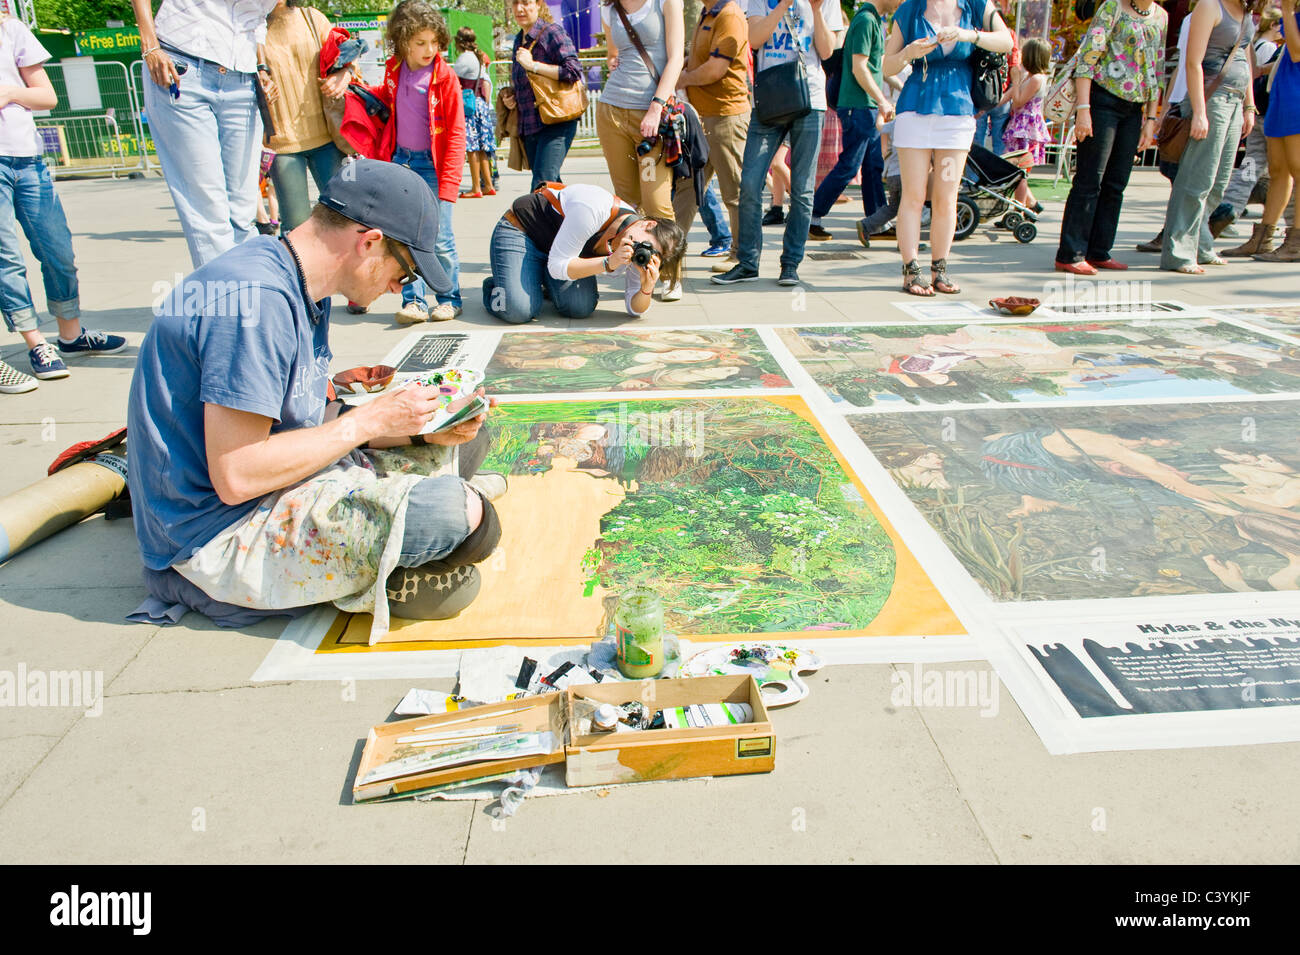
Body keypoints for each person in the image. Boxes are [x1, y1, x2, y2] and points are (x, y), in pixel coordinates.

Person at [126, 159, 500, 631]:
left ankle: (389, 548)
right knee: (462, 516)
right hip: (215, 533)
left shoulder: (298, 279)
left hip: (282, 479)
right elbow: (238, 475)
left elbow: (306, 420)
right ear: (369, 243)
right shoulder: (257, 301)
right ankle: (238, 586)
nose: (394, 288)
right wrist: (370, 422)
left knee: (469, 441)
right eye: (403, 274)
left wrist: (422, 430)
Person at [0, 12, 125, 394]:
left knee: (57, 249)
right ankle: (36, 343)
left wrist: (9, 93)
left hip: (28, 158)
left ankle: (70, 335)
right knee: (7, 258)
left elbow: (47, 96)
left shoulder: (11, 28)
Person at [130, 0, 278, 268]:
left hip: (244, 78)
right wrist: (149, 45)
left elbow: (256, 21)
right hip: (183, 66)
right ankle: (227, 305)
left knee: (243, 213)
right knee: (209, 214)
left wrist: (262, 66)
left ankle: (248, 299)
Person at [882, 0, 1014, 295]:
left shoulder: (976, 6)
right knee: (913, 196)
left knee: (947, 196)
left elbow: (1006, 41)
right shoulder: (910, 10)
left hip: (957, 113)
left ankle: (939, 269)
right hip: (914, 109)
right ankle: (911, 270)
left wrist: (969, 35)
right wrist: (908, 53)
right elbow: (887, 64)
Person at [712, 0, 843, 288]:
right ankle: (747, 262)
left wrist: (817, 10)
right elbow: (755, 39)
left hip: (810, 98)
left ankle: (791, 263)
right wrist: (783, 5)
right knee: (749, 181)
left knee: (803, 188)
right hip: (770, 99)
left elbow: (826, 51)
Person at [367, 0, 465, 322]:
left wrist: (449, 185)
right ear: (403, 39)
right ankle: (414, 301)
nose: (429, 49)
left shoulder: (445, 77)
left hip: (433, 168)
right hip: (402, 163)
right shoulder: (394, 69)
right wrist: (363, 90)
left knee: (440, 239)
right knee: (405, 237)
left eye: (434, 42)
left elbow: (455, 133)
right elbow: (392, 98)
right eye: (421, 43)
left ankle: (449, 297)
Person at [1054, 0, 1166, 277]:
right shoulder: (1112, 7)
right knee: (1090, 178)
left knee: (1117, 182)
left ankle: (1099, 251)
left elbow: (1157, 69)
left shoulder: (1161, 16)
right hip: (1102, 100)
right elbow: (1087, 59)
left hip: (1135, 107)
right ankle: (1071, 253)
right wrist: (1083, 110)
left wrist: (1150, 120)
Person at [482, 182, 685, 323]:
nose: (646, 253)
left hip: (559, 254)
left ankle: (532, 278)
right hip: (522, 231)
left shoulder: (638, 243)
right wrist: (608, 263)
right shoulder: (594, 208)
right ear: (649, 224)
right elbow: (557, 266)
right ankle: (499, 285)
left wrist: (646, 288)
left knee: (580, 307)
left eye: (655, 256)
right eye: (650, 247)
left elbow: (634, 309)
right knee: (518, 311)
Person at [1161, 0, 1258, 274]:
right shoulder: (1210, 6)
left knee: (1219, 180)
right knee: (1197, 178)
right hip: (1213, 98)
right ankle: (1178, 253)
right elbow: (1193, 62)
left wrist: (1249, 105)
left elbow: (1244, 59)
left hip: (1236, 101)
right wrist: (1200, 111)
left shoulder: (1246, 10)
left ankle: (1201, 244)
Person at [599, 0, 686, 299]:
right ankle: (640, 272)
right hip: (611, 111)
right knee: (628, 202)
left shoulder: (665, 2)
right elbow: (614, 53)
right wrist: (614, 61)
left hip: (652, 117)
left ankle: (671, 275)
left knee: (657, 202)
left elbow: (676, 59)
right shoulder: (608, 9)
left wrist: (656, 106)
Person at [808, 0, 901, 241]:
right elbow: (859, 67)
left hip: (863, 105)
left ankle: (876, 221)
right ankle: (811, 216)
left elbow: (873, 66)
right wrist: (882, 99)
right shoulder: (866, 20)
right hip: (858, 106)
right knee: (850, 165)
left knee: (872, 166)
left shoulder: (871, 20)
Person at [673, 0, 752, 269]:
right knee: (687, 188)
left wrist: (682, 78)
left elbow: (717, 69)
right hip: (702, 118)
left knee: (734, 191)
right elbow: (703, 59)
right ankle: (670, 252)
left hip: (725, 117)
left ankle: (742, 256)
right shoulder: (708, 14)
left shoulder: (729, 16)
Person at [262, 1, 349, 234]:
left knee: (346, 218)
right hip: (282, 144)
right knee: (296, 229)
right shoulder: (252, 25)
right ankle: (301, 272)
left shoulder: (312, 18)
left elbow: (347, 54)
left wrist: (344, 74)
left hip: (327, 137)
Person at [1212, 5, 1283, 236]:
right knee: (1284, 175)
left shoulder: (1255, 43)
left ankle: (1229, 209)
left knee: (1250, 166)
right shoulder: (1271, 47)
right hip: (1271, 115)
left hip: (1257, 113)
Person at [511, 0, 584, 190]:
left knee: (541, 185)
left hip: (557, 120)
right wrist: (510, 95)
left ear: (538, 5)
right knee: (551, 186)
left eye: (525, 3)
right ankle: (569, 217)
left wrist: (533, 65)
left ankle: (538, 220)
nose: (519, 8)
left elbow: (574, 71)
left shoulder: (552, 32)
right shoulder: (520, 39)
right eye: (515, 3)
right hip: (531, 124)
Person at [1247, 0, 1300, 260]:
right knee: (1278, 169)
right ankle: (1262, 239)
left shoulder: (1291, 12)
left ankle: (1295, 242)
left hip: (1296, 95)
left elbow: (1298, 51)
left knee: (1297, 168)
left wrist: (1288, 12)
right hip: (1281, 92)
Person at [1002, 36, 1051, 211]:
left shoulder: (1037, 79)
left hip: (1026, 130)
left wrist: (1015, 82)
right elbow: (1008, 97)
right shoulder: (1027, 76)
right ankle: (1031, 204)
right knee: (1014, 169)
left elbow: (1018, 101)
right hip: (1018, 127)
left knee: (1019, 171)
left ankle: (1020, 209)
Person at [454, 26, 497, 198]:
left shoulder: (464, 58)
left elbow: (452, 80)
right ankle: (488, 184)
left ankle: (475, 188)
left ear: (459, 42)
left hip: (469, 105)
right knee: (482, 148)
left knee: (471, 148)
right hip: (480, 103)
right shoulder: (477, 56)